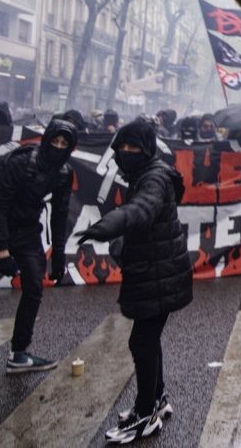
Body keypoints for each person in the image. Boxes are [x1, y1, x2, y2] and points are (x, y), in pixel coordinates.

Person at [75, 119, 192, 444]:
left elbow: (141, 209)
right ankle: (157, 400)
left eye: (134, 148)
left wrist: (106, 226)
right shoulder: (145, 173)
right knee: (148, 341)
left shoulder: (153, 178)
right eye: (122, 148)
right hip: (154, 272)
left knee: (142, 342)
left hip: (158, 276)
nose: (126, 154)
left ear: (147, 150)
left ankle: (145, 416)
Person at [0, 120, 77, 382]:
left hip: (26, 230)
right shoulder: (20, 162)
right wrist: (1, 251)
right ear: (47, 139)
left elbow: (60, 215)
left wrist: (58, 257)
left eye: (64, 144)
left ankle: (19, 352)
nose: (58, 147)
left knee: (34, 285)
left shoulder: (63, 172)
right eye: (55, 141)